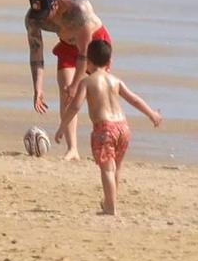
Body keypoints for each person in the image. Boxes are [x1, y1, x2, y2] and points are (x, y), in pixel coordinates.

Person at [65, 37, 161, 216]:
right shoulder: (115, 80)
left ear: (88, 62)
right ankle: (110, 201)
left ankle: (110, 207)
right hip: (123, 127)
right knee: (116, 167)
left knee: (107, 169)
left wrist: (63, 125)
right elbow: (134, 99)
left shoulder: (87, 82)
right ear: (109, 61)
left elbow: (75, 106)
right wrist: (152, 114)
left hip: (105, 128)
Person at [25, 0, 109, 160]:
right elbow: (36, 52)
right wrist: (38, 88)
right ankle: (73, 149)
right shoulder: (33, 18)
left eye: (45, 15)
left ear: (55, 5)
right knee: (66, 93)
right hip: (68, 46)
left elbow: (84, 54)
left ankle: (105, 143)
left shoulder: (79, 9)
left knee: (96, 95)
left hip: (94, 44)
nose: (43, 20)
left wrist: (76, 85)